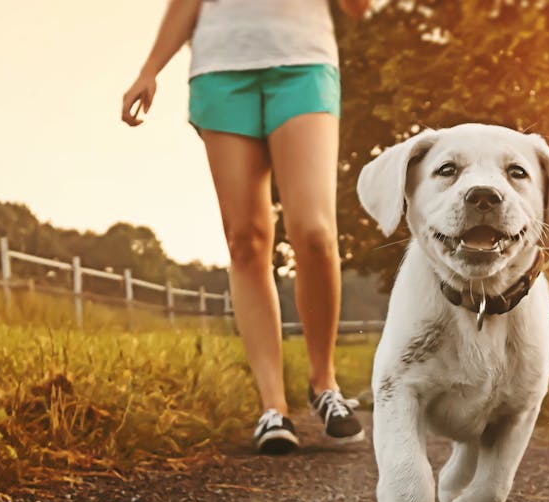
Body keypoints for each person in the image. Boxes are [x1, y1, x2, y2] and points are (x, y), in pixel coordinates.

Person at [121, 0, 370, 454]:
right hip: (221, 69)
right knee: (246, 240)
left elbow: (358, 8)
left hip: (304, 64)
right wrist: (150, 69)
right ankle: (273, 407)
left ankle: (324, 382)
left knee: (314, 232)